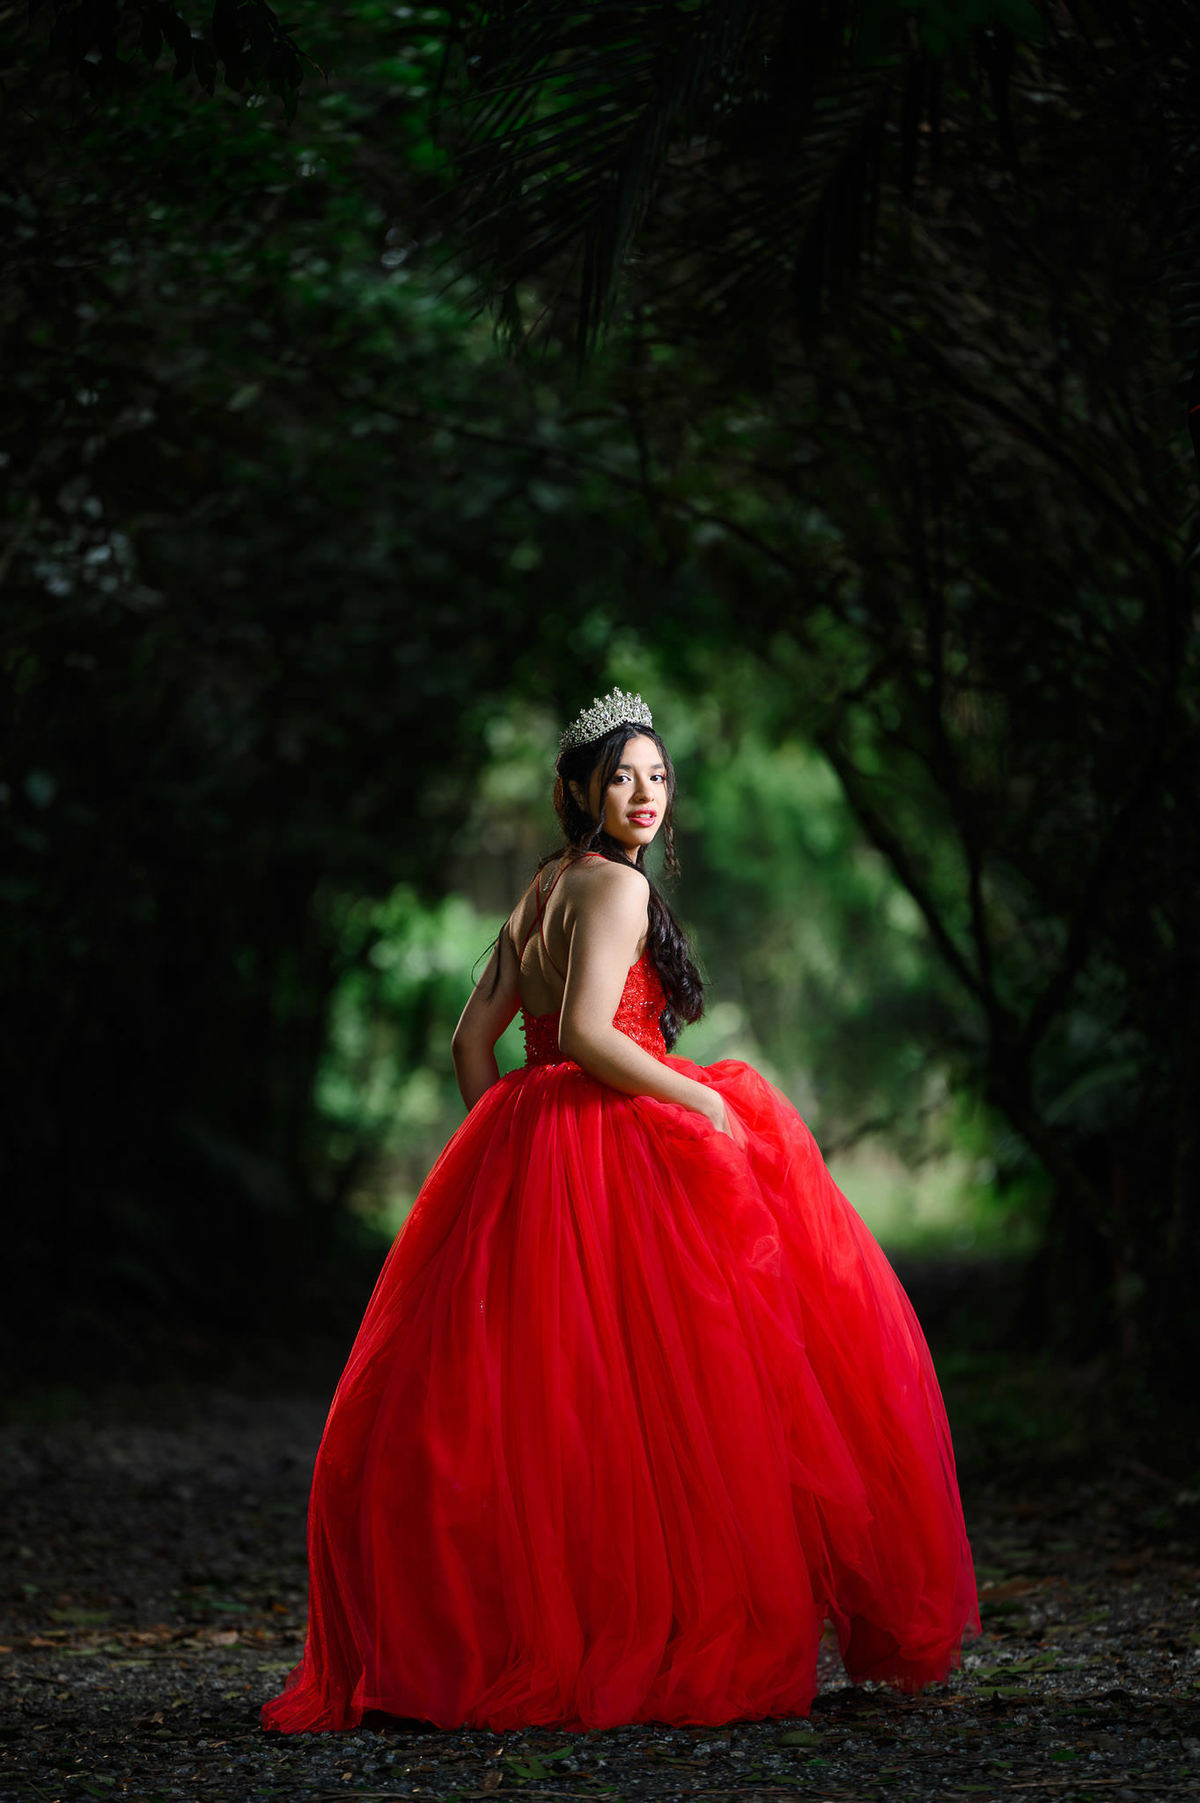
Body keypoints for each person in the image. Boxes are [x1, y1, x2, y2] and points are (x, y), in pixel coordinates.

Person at [262, 688, 979, 1736]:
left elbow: (476, 1046)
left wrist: (506, 1146)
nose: (645, 794)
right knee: (669, 1393)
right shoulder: (612, 892)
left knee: (545, 1402)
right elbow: (596, 1034)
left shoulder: (542, 888)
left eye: (658, 776)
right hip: (611, 1135)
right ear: (582, 793)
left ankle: (528, 1630)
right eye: (622, 777)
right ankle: (646, 1633)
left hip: (536, 1143)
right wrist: (702, 1105)